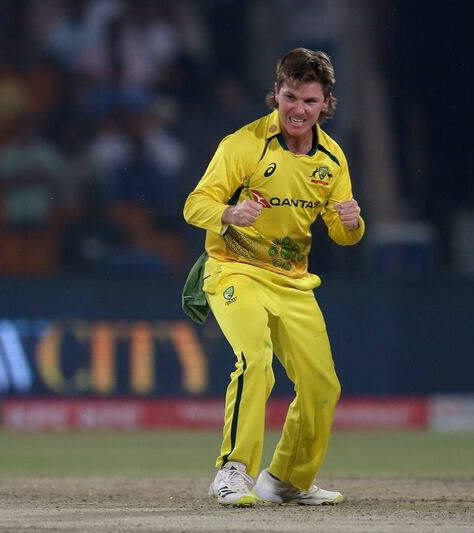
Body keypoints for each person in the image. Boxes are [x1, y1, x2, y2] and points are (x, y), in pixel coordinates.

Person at [182, 48, 364, 506]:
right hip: (234, 270)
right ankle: (233, 470)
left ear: (325, 103)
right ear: (276, 94)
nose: (297, 110)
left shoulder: (332, 160)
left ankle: (285, 479)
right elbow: (193, 206)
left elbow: (345, 237)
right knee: (256, 361)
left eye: (308, 100)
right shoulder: (243, 145)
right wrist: (229, 211)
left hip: (292, 282)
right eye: (289, 97)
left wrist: (352, 221)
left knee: (322, 386)